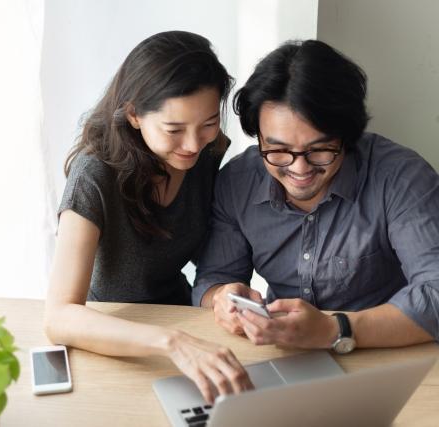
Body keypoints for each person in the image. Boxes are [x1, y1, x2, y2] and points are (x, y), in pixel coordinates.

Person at [44, 31, 253, 403]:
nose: (192, 144)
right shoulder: (95, 174)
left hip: (181, 319)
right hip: (111, 334)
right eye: (173, 130)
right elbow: (59, 316)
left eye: (207, 123)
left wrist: (222, 293)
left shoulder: (209, 150)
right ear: (134, 114)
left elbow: (211, 253)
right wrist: (172, 343)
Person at [194, 39, 439, 353]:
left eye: (319, 149)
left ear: (347, 135)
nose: (299, 168)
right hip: (283, 353)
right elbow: (214, 278)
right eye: (278, 150)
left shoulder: (401, 178)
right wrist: (222, 299)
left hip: (387, 352)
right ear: (258, 136)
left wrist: (334, 329)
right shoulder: (237, 182)